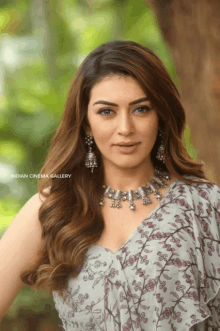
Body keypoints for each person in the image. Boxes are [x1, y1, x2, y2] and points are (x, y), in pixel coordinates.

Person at [0, 40, 219, 331]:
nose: (125, 128)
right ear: (86, 123)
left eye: (141, 109)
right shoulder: (55, 206)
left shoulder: (204, 205)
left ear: (161, 116)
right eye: (107, 112)